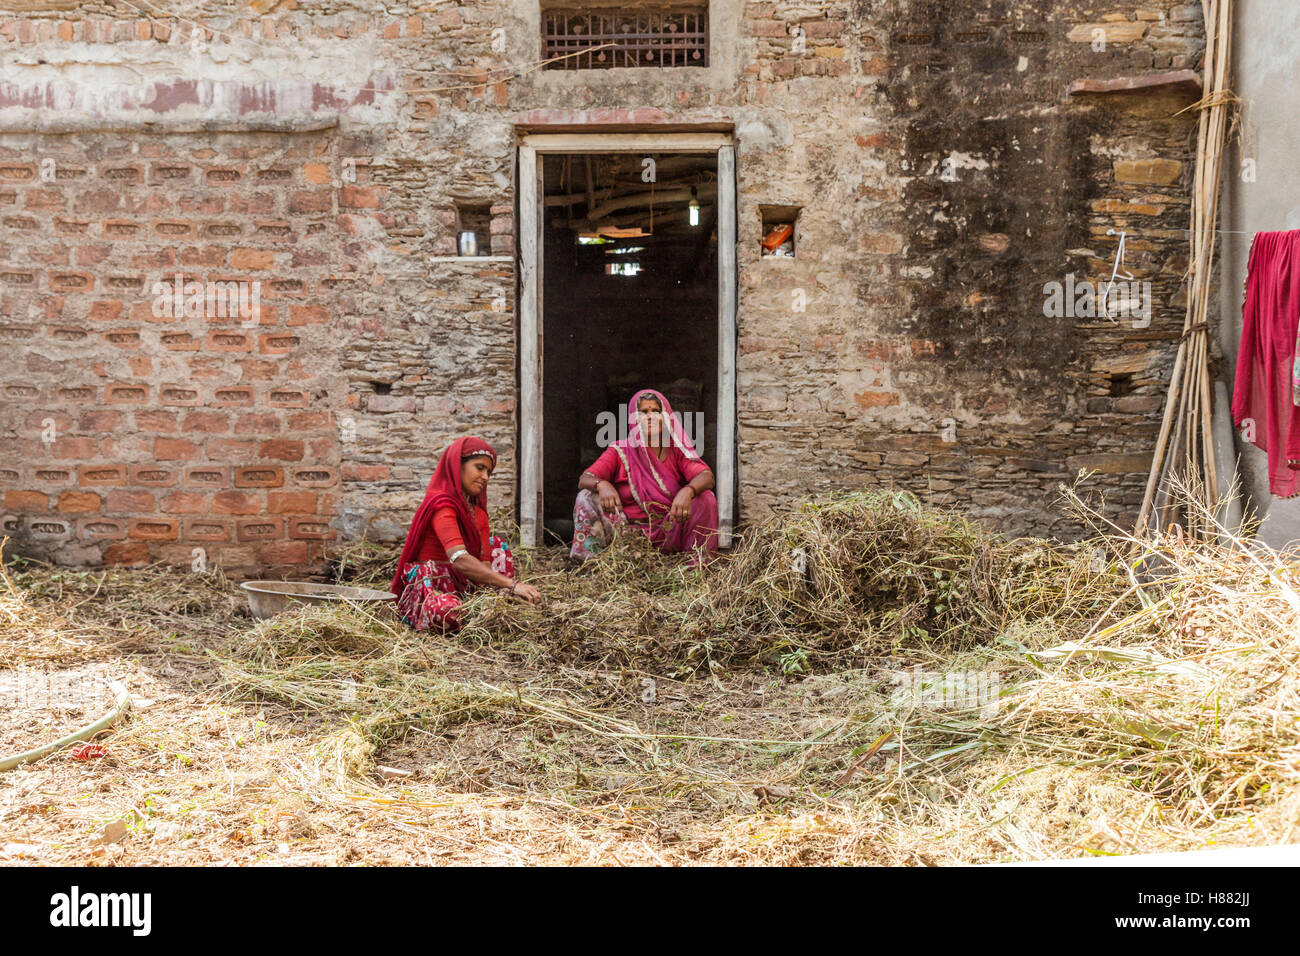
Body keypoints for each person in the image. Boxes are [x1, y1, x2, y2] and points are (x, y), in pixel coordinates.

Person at [391, 436, 541, 631]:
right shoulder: (442, 505)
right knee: (447, 611)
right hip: (432, 584)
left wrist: (492, 594)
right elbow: (459, 559)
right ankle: (471, 611)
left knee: (498, 546)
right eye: (479, 468)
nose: (485, 477)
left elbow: (484, 565)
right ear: (456, 466)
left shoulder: (478, 513)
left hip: (464, 583)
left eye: (489, 472)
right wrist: (512, 585)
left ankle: (489, 607)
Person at [571, 388, 719, 565]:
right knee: (586, 496)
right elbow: (585, 478)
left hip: (669, 531)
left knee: (705, 498)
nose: (650, 416)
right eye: (643, 412)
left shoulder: (676, 451)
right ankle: (590, 563)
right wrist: (602, 484)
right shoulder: (620, 450)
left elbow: (706, 476)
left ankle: (697, 565)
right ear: (634, 418)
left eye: (656, 411)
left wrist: (688, 491)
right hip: (628, 538)